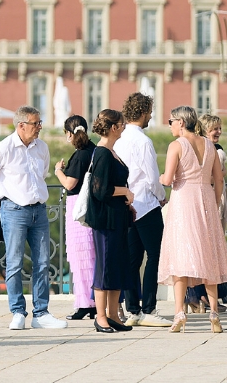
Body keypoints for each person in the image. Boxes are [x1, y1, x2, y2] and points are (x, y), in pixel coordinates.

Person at [0, 106, 67, 330]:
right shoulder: (3, 148)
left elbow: (42, 174)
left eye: (40, 122)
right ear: (21, 125)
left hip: (39, 211)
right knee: (14, 263)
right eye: (36, 123)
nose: (40, 127)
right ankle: (17, 312)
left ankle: (41, 313)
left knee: (42, 263)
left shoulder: (42, 147)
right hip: (13, 210)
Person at [158, 106, 227, 333]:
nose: (169, 125)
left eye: (171, 121)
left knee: (180, 256)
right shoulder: (209, 145)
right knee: (210, 256)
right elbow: (218, 179)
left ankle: (179, 313)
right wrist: (215, 201)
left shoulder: (176, 145)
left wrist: (160, 177)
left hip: (184, 201)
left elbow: (168, 179)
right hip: (206, 199)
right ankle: (214, 313)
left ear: (181, 122)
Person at [113, 93, 172, 327]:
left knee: (131, 259)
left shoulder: (119, 139)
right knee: (155, 255)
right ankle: (149, 307)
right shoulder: (143, 141)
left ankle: (133, 309)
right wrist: (161, 196)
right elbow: (151, 176)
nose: (151, 116)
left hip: (126, 205)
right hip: (146, 205)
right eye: (150, 112)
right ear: (144, 112)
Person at [86, 109, 136, 333]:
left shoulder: (111, 152)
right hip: (106, 219)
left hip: (117, 217)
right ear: (114, 127)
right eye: (122, 124)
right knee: (105, 267)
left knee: (117, 266)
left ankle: (114, 314)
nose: (124, 127)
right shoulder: (103, 153)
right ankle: (101, 316)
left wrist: (127, 201)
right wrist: (124, 191)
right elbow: (100, 190)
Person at [185, 114, 227, 313]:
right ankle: (201, 295)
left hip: (213, 200)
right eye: (214, 129)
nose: (218, 132)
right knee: (206, 249)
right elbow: (209, 178)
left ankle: (200, 296)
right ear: (204, 130)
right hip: (209, 199)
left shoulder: (210, 147)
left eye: (219, 128)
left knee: (208, 248)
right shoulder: (207, 148)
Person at [53, 115, 97, 320]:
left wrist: (58, 171)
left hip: (78, 208)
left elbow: (70, 183)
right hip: (90, 206)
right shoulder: (93, 150)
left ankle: (86, 303)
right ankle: (94, 302)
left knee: (82, 257)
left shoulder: (80, 155)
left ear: (70, 134)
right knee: (91, 256)